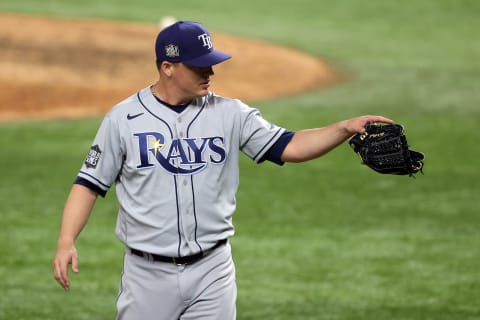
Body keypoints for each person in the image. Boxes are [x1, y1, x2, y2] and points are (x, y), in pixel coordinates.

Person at [52, 20, 392, 320]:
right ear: (168, 67)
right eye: (199, 67)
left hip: (212, 270)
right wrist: (67, 240)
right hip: (147, 275)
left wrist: (345, 127)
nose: (210, 73)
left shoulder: (231, 114)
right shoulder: (123, 119)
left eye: (210, 64)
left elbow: (289, 146)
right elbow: (89, 183)